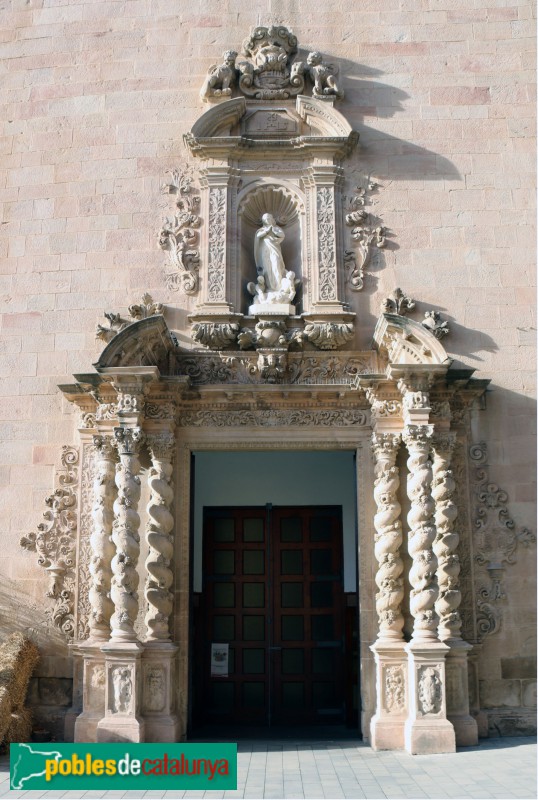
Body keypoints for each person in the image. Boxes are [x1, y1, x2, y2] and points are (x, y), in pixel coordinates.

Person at [254, 213, 286, 291]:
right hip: (265, 251)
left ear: (272, 219)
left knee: (276, 265)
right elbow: (258, 235)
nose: (267, 220)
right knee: (267, 268)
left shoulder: (275, 228)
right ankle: (269, 287)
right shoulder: (262, 229)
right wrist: (267, 231)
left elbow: (282, 235)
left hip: (275, 249)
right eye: (265, 219)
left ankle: (279, 287)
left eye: (268, 218)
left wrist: (274, 231)